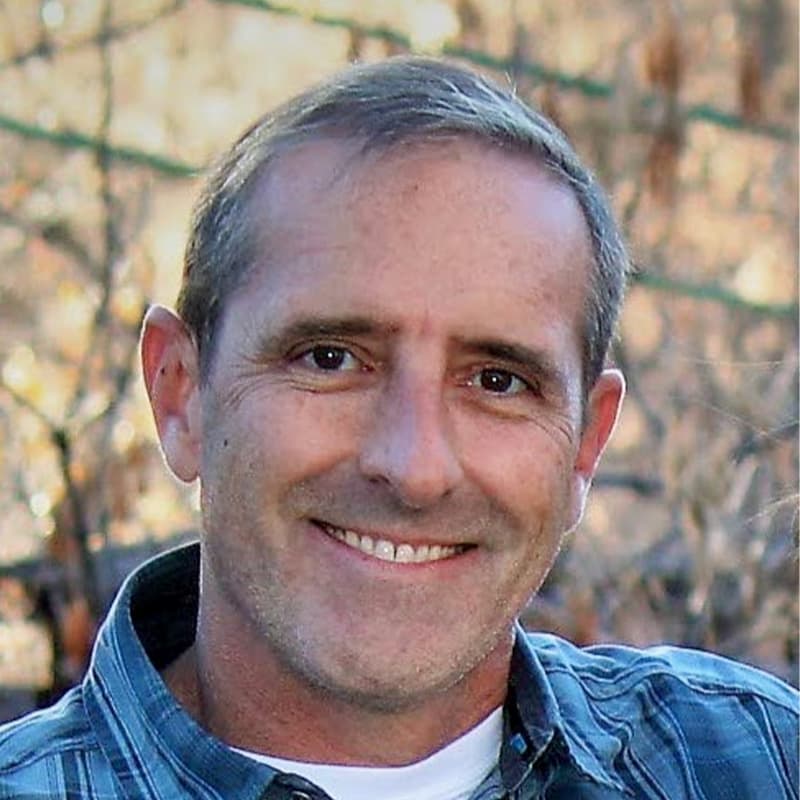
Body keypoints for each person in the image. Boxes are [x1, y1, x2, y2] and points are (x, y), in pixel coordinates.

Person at [0, 56, 796, 800]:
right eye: (331, 358)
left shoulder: (751, 760)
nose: (414, 467)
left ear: (586, 445)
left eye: (497, 381)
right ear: (180, 395)